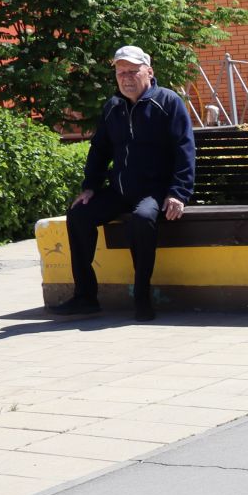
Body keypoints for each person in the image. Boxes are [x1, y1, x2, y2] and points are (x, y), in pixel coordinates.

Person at [52, 45, 194, 322]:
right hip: (119, 190)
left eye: (132, 71)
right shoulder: (113, 107)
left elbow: (184, 148)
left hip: (155, 191)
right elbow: (99, 149)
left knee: (142, 219)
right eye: (120, 73)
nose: (126, 77)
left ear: (149, 72)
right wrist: (90, 187)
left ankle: (141, 296)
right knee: (79, 214)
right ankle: (85, 297)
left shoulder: (167, 101)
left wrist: (178, 192)